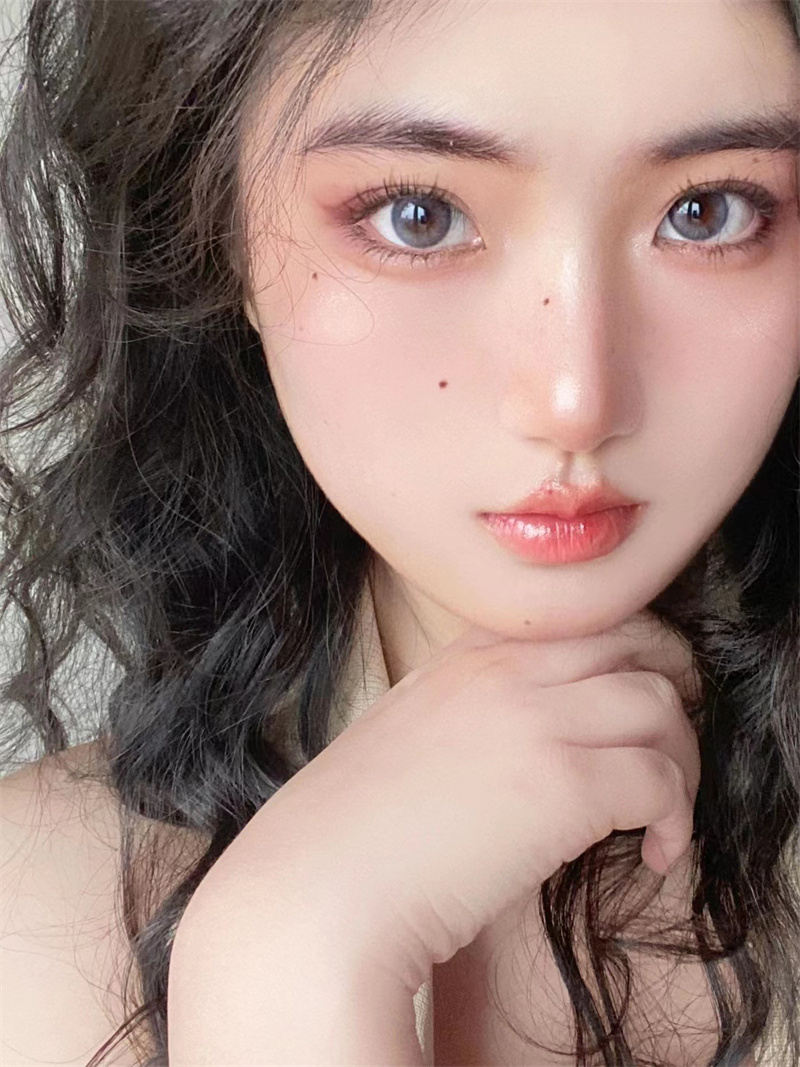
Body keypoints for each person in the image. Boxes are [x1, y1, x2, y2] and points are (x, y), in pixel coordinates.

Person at [0, 0, 797, 1063]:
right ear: (219, 231)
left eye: (707, 212)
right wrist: (287, 956)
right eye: (418, 215)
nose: (576, 399)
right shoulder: (32, 931)